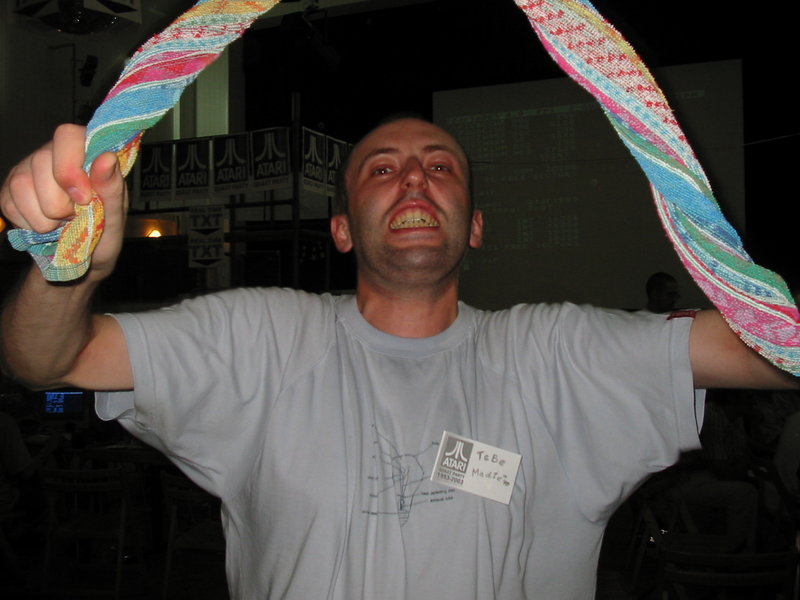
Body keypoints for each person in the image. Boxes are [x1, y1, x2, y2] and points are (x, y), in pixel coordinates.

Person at [1, 118, 797, 598]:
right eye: (382, 169)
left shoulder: (553, 354)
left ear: (474, 226)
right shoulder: (262, 340)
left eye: (440, 167)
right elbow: (49, 359)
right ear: (343, 229)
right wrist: (67, 268)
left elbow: (773, 354)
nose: (415, 176)